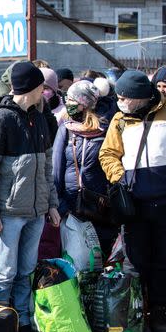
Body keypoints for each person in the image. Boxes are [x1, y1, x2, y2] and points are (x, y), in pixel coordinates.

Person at [0, 61, 60, 332]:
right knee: (6, 272)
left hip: (34, 211)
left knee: (26, 271)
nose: (45, 92)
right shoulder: (0, 120)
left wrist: (52, 205)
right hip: (9, 214)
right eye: (42, 87)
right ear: (32, 88)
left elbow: (46, 167)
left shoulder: (39, 117)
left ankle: (23, 323)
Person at [99, 70, 166, 332]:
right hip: (134, 203)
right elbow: (108, 153)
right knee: (133, 261)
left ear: (139, 98)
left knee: (164, 261)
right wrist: (119, 177)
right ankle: (133, 315)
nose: (120, 101)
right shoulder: (119, 119)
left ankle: (161, 312)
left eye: (124, 97)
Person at [52, 80, 118, 256]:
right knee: (75, 257)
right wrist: (59, 204)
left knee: (99, 256)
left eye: (72, 101)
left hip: (100, 206)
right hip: (71, 206)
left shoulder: (107, 129)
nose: (68, 104)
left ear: (84, 104)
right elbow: (56, 170)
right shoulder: (66, 129)